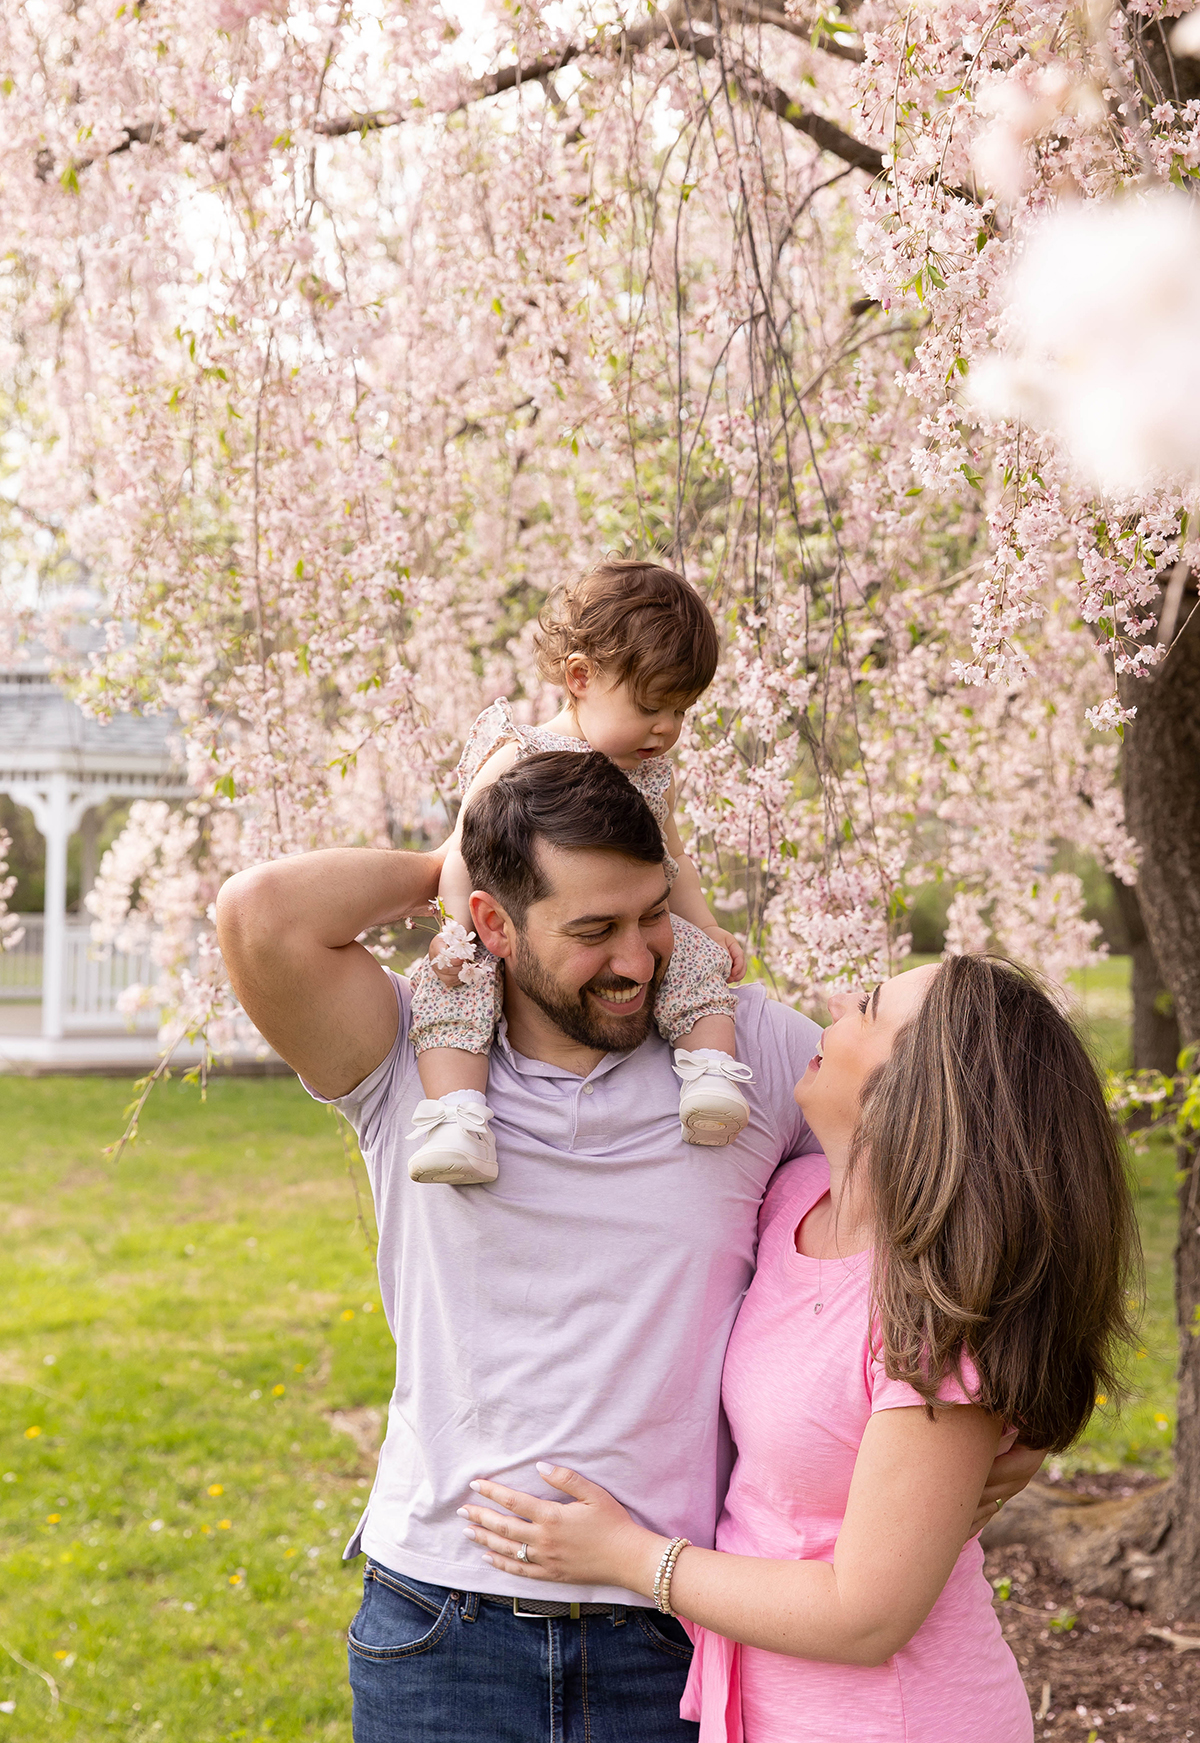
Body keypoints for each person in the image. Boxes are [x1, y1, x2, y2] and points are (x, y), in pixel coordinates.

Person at [215, 751, 1042, 1743]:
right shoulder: (409, 1058)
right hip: (443, 1628)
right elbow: (260, 915)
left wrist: (1018, 1419)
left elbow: (973, 1167)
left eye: (653, 914)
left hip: (676, 1637)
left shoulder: (749, 1058)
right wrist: (460, 850)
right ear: (491, 922)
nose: (640, 960)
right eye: (593, 929)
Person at [458, 955, 1140, 1743]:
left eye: (870, 1005)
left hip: (894, 1719)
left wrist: (630, 1558)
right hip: (765, 1711)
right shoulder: (789, 1202)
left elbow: (864, 1616)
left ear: (916, 1094)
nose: (836, 999)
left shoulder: (932, 1315)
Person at [405, 560, 754, 1187]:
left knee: (697, 959)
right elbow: (461, 853)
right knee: (455, 988)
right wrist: (457, 930)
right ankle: (457, 1116)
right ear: (580, 677)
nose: (667, 728)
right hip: (518, 929)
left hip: (633, 923)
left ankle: (709, 1070)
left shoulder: (649, 774)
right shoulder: (522, 755)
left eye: (682, 710)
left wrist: (706, 925)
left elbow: (676, 861)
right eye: (651, 706)